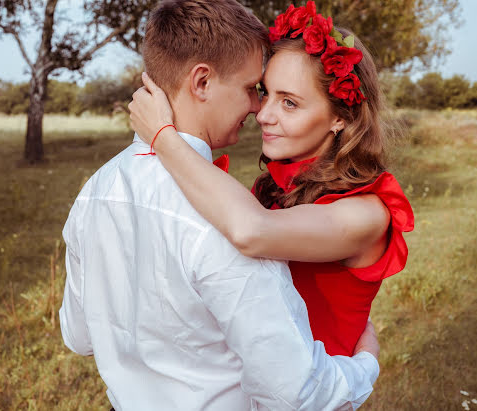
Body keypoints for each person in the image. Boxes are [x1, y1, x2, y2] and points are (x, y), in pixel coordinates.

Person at [60, 1, 380, 409]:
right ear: (202, 82)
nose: (257, 109)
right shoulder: (224, 219)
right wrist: (365, 365)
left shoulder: (94, 192)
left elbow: (79, 336)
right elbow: (297, 394)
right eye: (252, 89)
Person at [129, 0, 414, 357]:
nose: (263, 114)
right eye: (265, 92)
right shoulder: (272, 191)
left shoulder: (366, 214)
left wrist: (162, 135)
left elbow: (252, 232)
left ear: (339, 118)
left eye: (289, 103)